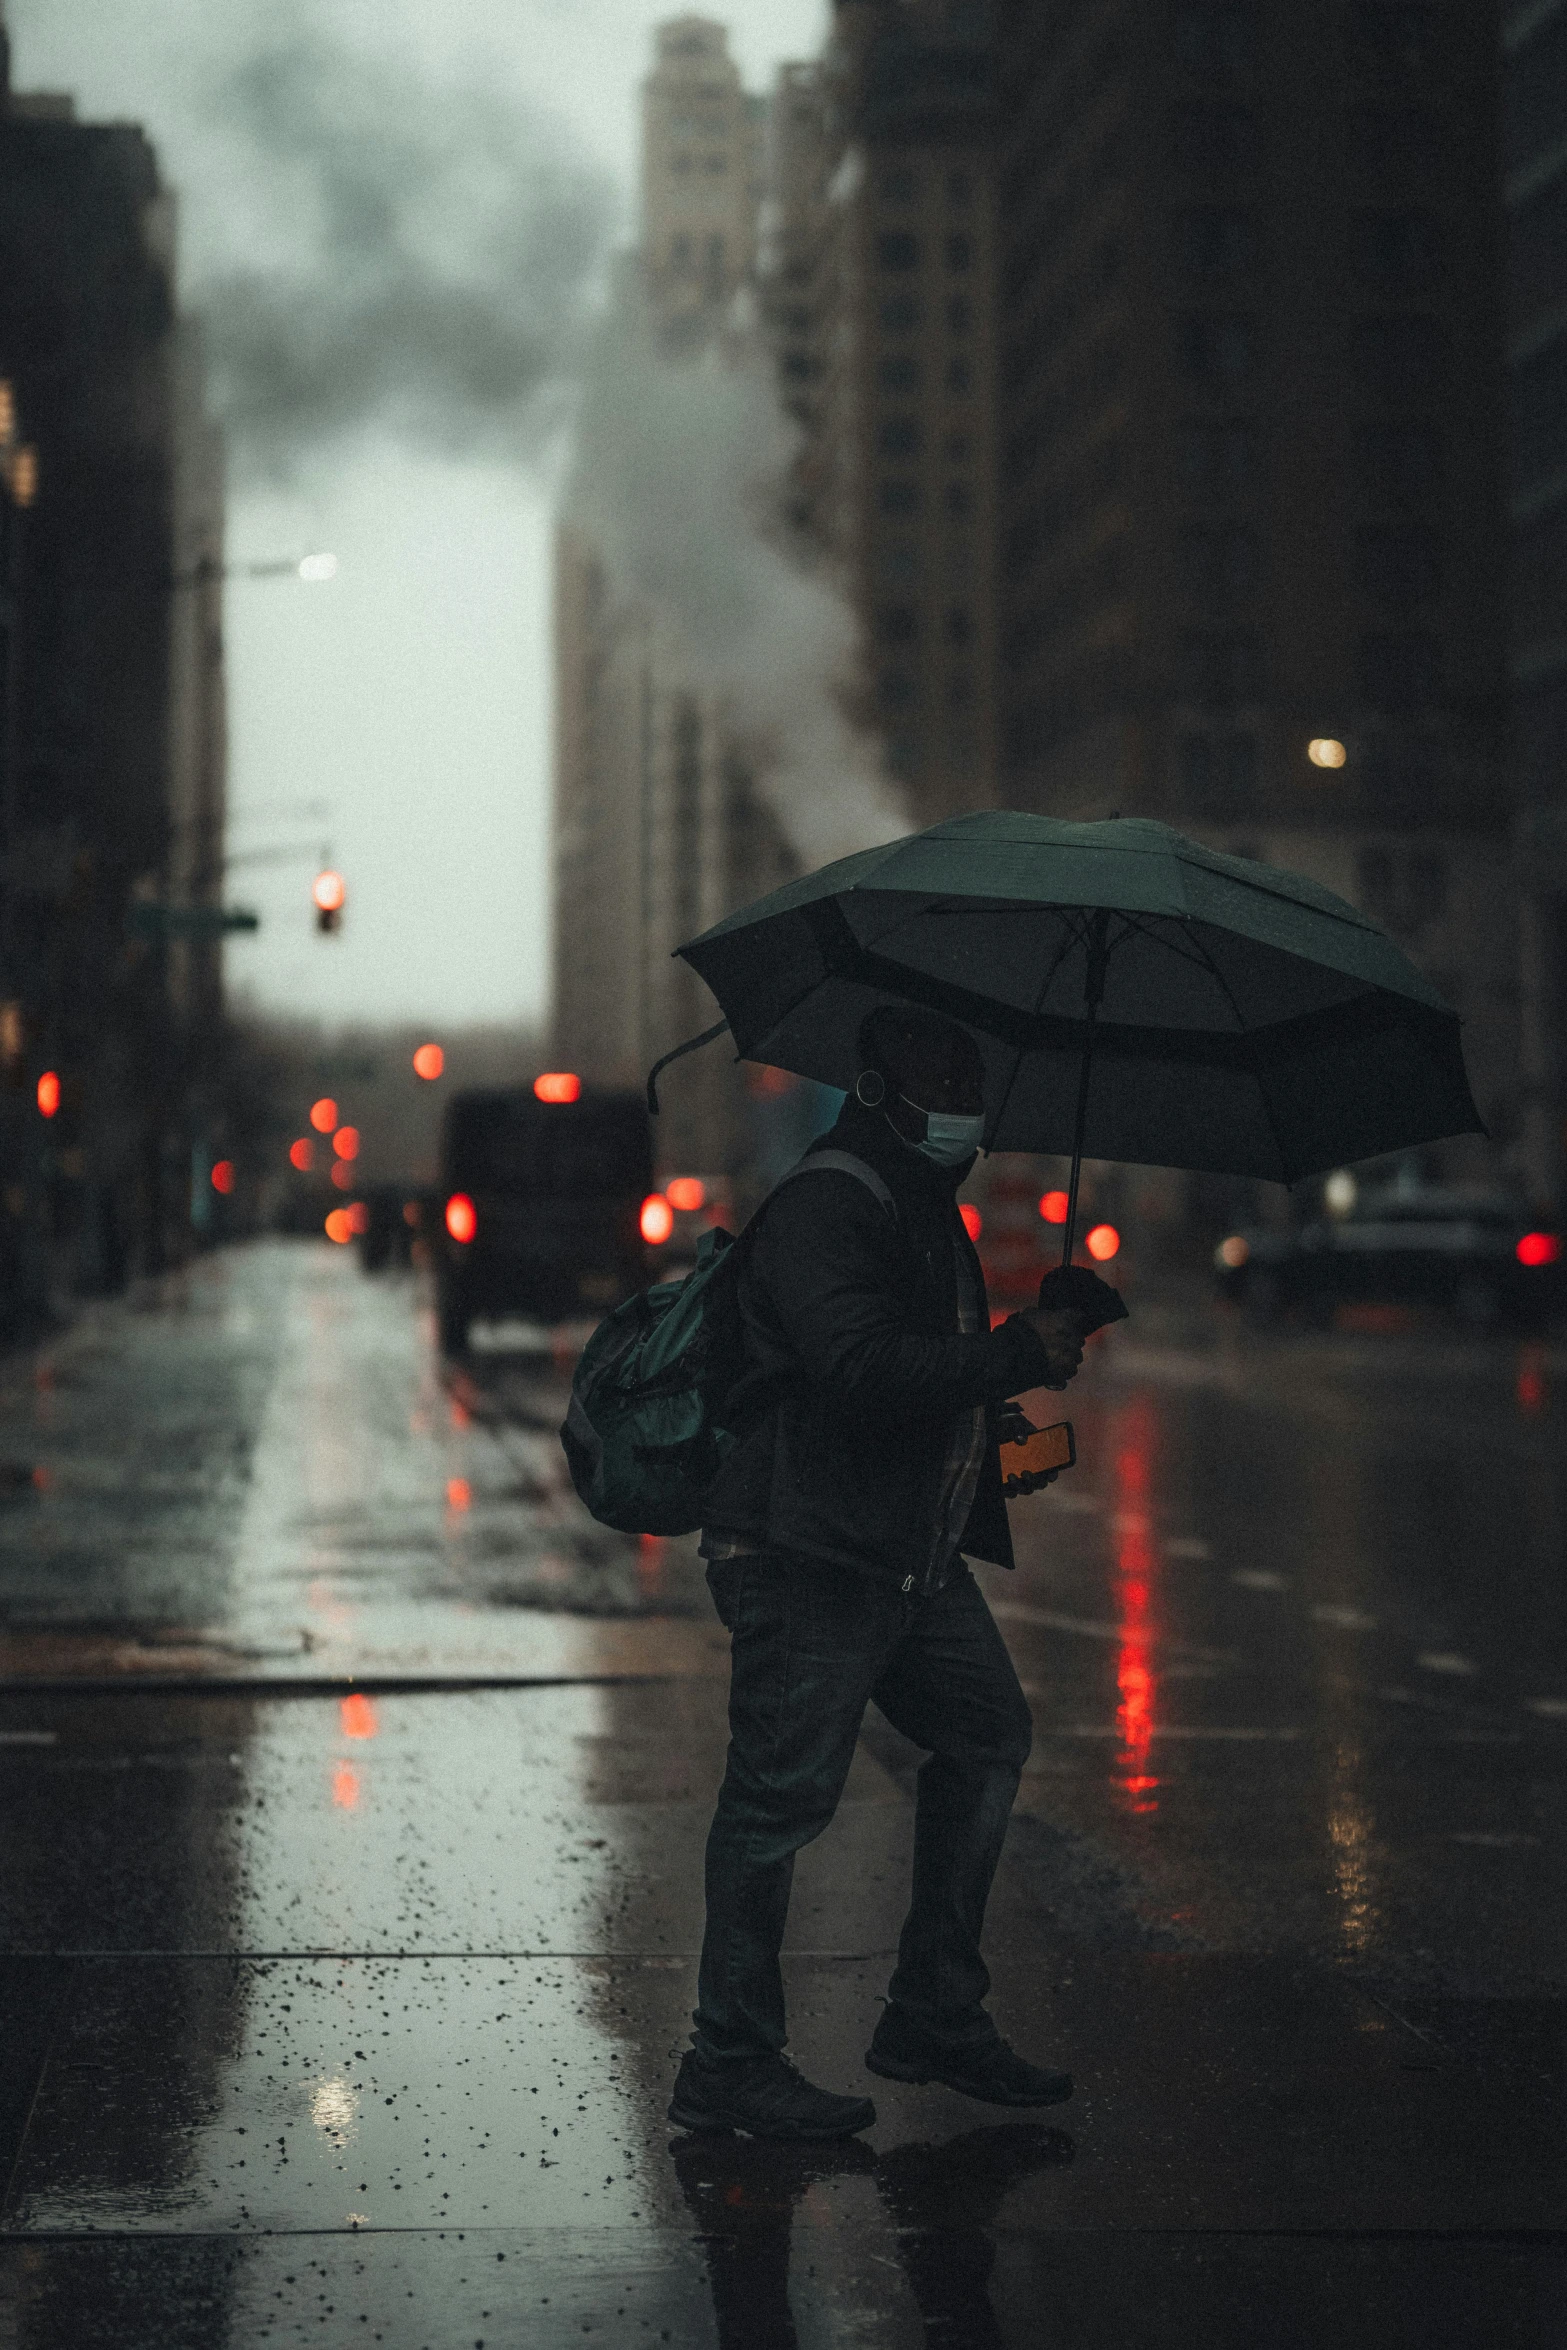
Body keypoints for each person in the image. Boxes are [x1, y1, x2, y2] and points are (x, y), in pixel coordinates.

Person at [669, 1004, 1089, 2141]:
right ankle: (729, 2058)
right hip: (808, 1550)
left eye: (973, 1074)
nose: (965, 1097)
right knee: (775, 1802)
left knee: (986, 1734)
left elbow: (915, 1377)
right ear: (873, 1090)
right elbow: (854, 1369)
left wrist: (1003, 1403)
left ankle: (934, 2012)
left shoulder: (918, 1206)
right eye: (940, 1075)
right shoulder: (826, 1200)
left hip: (904, 1550)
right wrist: (1009, 1351)